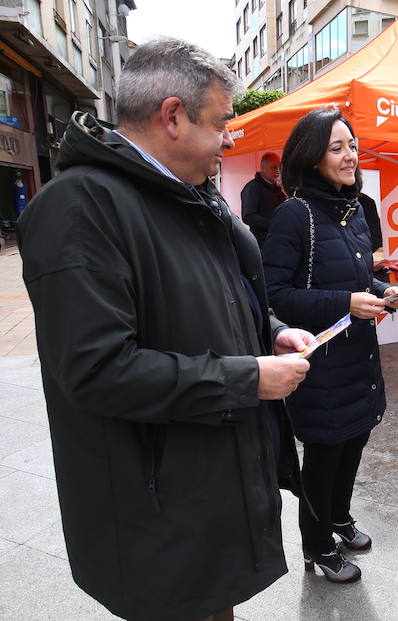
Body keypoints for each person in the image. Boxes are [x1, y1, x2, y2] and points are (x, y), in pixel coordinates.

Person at [16, 38, 313, 621]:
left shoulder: (185, 194)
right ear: (172, 116)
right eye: (224, 122)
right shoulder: (80, 208)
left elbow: (215, 295)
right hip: (154, 503)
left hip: (204, 480)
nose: (231, 140)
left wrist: (269, 330)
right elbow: (97, 369)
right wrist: (246, 380)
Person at [263, 107, 398, 584]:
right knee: (323, 461)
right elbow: (275, 295)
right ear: (311, 156)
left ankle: (339, 520)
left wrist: (384, 292)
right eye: (337, 148)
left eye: (353, 146)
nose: (351, 157)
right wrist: (347, 300)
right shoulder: (294, 214)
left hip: (359, 360)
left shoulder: (355, 210)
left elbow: (359, 274)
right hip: (320, 366)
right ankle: (317, 546)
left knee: (353, 447)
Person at [241, 151, 286, 247]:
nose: (278, 170)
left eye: (279, 167)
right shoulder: (253, 188)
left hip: (278, 242)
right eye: (274, 167)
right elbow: (248, 217)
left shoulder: (278, 189)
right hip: (262, 244)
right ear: (262, 168)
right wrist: (274, 224)